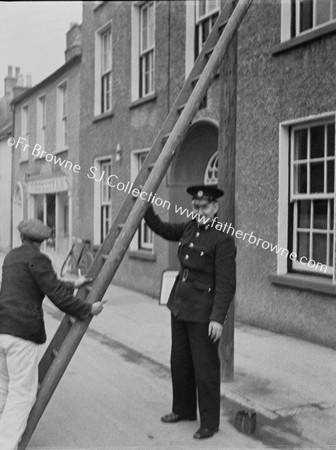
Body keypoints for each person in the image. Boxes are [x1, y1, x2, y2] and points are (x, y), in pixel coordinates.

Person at [0, 219, 104, 450]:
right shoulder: (38, 258)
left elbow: (38, 283)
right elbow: (57, 296)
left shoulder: (11, 257)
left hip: (2, 331)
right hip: (21, 334)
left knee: (3, 388)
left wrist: (73, 283)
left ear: (22, 238)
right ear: (43, 242)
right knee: (23, 395)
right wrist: (89, 309)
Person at [144, 184, 236, 440]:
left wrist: (218, 318)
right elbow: (161, 228)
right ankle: (183, 410)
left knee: (205, 367)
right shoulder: (189, 228)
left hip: (203, 313)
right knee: (180, 362)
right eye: (196, 207)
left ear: (215, 207)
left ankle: (210, 422)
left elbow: (227, 283)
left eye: (204, 206)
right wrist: (145, 205)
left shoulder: (223, 238)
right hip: (180, 306)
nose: (199, 211)